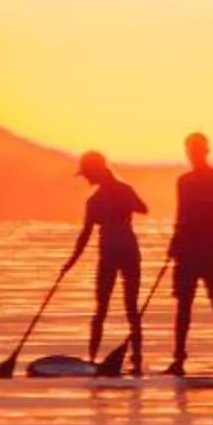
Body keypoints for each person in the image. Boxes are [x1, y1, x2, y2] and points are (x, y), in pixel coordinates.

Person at [64, 150, 148, 370]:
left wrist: (72, 261)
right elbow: (142, 208)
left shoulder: (98, 199)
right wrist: (71, 261)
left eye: (86, 174)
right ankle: (126, 359)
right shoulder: (114, 193)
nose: (86, 179)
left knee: (107, 307)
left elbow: (142, 209)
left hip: (115, 253)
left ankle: (101, 358)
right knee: (122, 307)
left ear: (95, 171)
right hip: (126, 251)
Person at [168, 131, 213, 375]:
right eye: (190, 152)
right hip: (191, 247)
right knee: (185, 305)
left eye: (194, 152)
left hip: (207, 247)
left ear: (203, 152)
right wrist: (174, 242)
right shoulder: (186, 181)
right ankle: (179, 358)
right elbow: (181, 215)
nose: (192, 156)